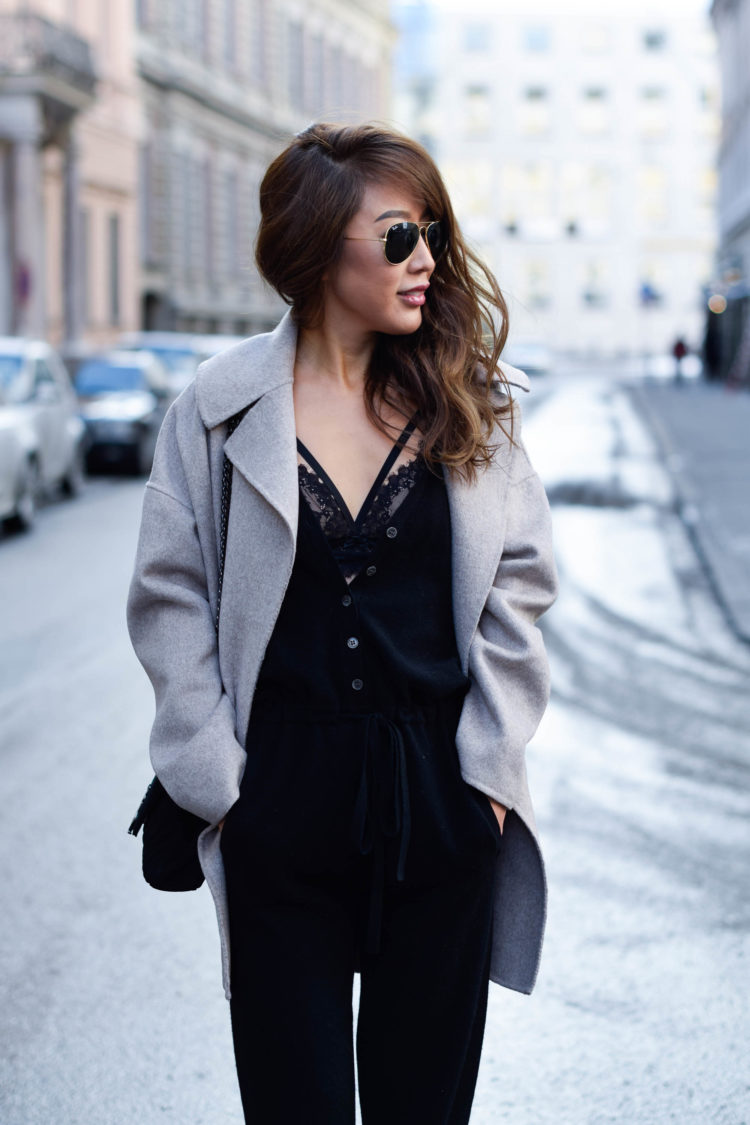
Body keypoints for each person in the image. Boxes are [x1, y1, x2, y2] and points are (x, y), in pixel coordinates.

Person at [126, 122, 558, 1125]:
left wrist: (488, 784)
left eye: (434, 233)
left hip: (441, 796)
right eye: (401, 235)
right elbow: (168, 592)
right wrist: (219, 782)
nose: (428, 259)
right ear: (321, 246)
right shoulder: (220, 408)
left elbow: (520, 585)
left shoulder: (469, 403)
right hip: (277, 800)